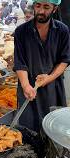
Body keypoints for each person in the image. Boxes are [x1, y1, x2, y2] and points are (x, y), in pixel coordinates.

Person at [13, 0, 70, 132]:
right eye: (38, 6)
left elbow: (64, 60)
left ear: (54, 9)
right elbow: (20, 62)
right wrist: (26, 86)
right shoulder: (21, 31)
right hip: (28, 87)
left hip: (53, 86)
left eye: (46, 7)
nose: (41, 11)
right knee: (29, 129)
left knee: (54, 127)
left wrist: (49, 77)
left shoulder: (62, 30)